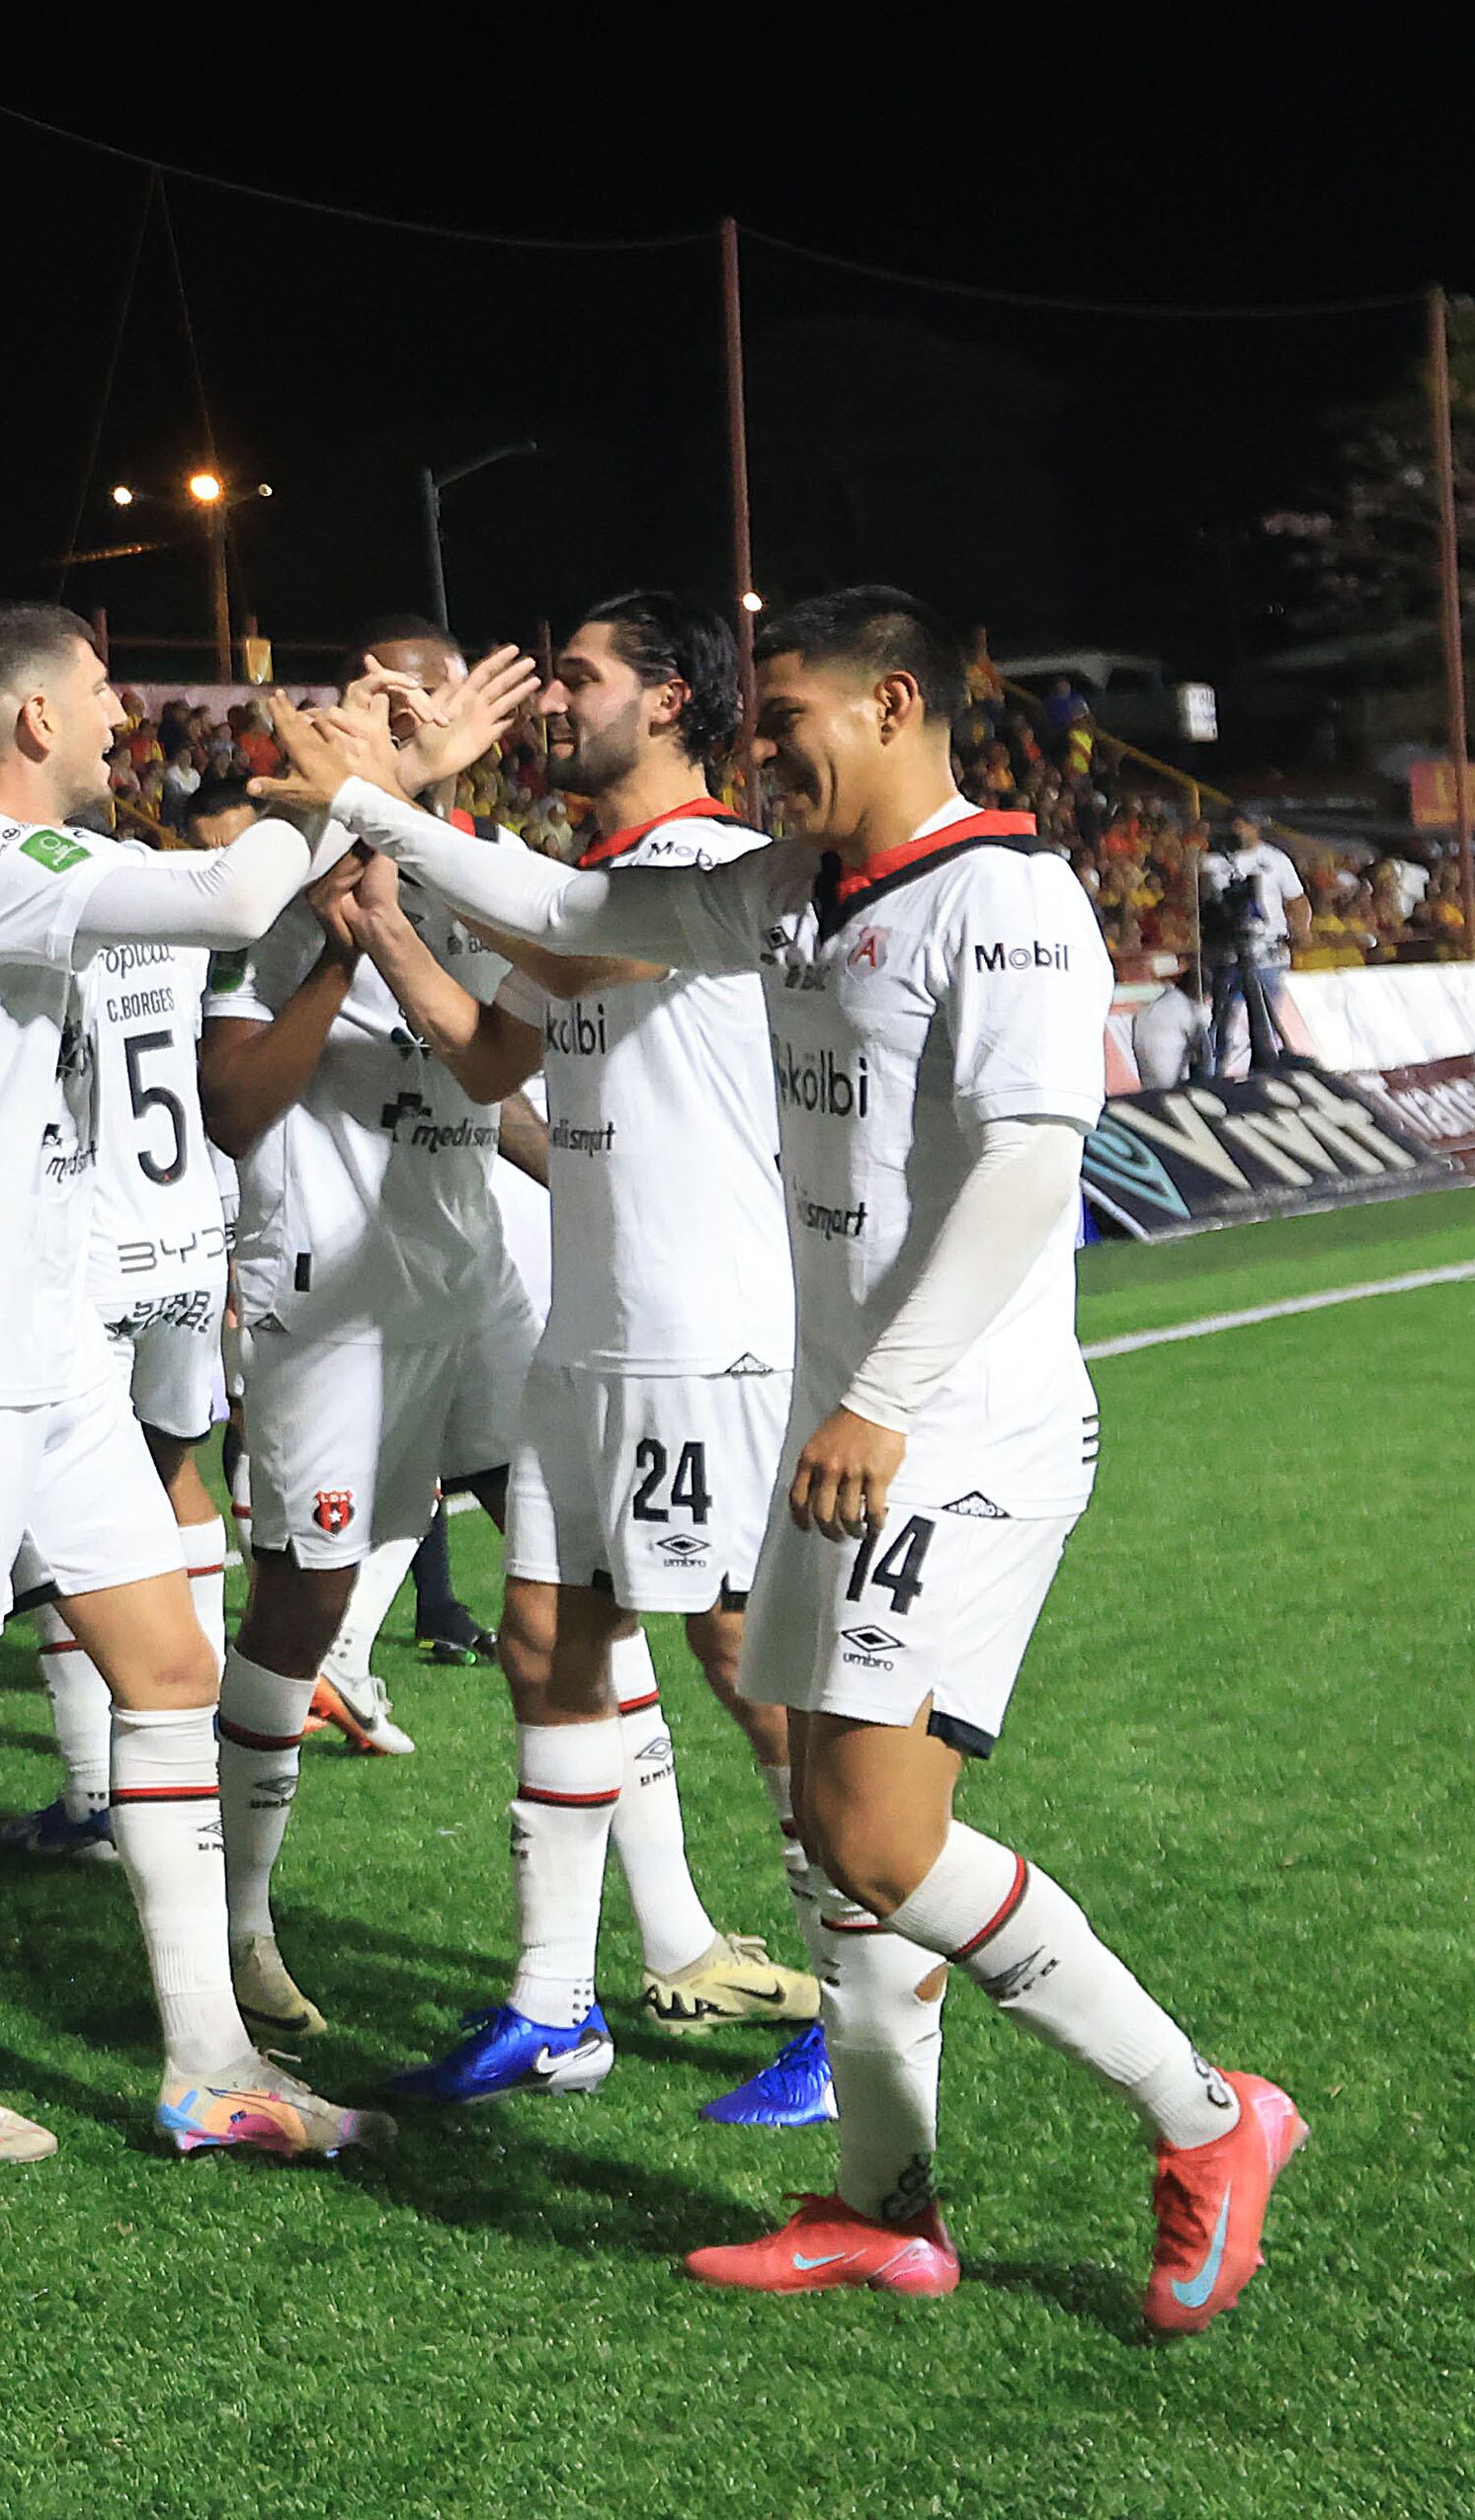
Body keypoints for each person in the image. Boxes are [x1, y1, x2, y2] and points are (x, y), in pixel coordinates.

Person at [274, 584, 1299, 2333]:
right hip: (843, 1426)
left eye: (793, 717)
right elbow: (568, 910)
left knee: (881, 1838)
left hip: (956, 1430)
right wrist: (376, 803)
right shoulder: (792, 889)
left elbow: (1026, 1170)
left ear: (896, 703)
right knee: (832, 1835)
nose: (769, 751)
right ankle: (884, 2205)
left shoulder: (1010, 897)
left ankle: (1208, 2114)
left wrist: (881, 1394)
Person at [0, 602, 381, 2164]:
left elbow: (217, 905)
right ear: (29, 722)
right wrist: (334, 785)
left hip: (55, 1340)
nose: (121, 714)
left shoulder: (40, 867)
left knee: (168, 1666)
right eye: (96, 689)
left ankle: (207, 2061)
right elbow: (230, 892)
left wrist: (367, 787)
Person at [373, 591, 827, 2117]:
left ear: (674, 698)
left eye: (579, 675)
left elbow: (573, 960)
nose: (556, 702)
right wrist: (387, 928)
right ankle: (553, 2004)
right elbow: (495, 1052)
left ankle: (853, 2008)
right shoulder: (588, 885)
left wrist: (412, 804)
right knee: (547, 1643)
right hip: (587, 1334)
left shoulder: (703, 869)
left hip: (705, 1336)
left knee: (747, 1658)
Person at [192, 624, 547, 2041]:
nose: (408, 711)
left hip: (474, 1284)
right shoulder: (281, 875)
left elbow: (488, 1080)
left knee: (567, 1570)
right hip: (328, 1298)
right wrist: (339, 955)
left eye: (430, 691)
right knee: (304, 1603)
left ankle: (637, 1937)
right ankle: (238, 1922)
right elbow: (232, 1105)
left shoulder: (481, 873)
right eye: (383, 690)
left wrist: (587, 1174)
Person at [2, 769, 249, 1863]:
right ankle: (198, 1734)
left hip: (92, 1246)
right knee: (176, 1473)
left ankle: (96, 1791)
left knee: (62, 1515)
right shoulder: (175, 906)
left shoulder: (47, 905)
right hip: (188, 1229)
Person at [1198, 810, 1306, 1075]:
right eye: (1235, 823)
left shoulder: (1276, 860)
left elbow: (1297, 899)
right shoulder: (1212, 862)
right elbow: (1203, 906)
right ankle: (1216, 1072)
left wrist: (1300, 930)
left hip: (1268, 953)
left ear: (1256, 826)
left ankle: (1267, 1070)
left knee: (1266, 1021)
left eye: (1245, 823)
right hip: (1226, 955)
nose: (1239, 828)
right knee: (1223, 1022)